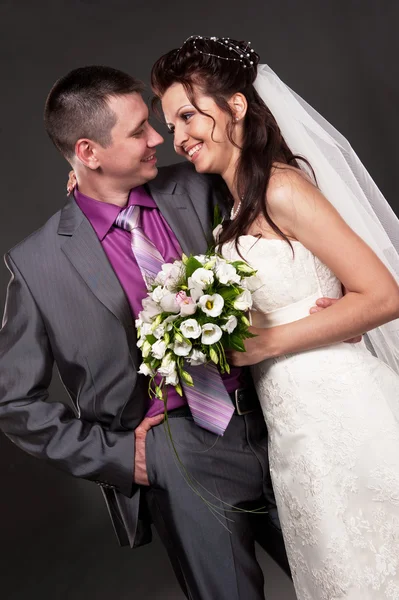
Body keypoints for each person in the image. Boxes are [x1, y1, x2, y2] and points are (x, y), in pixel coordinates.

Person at [0, 64, 350, 600]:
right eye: (139, 131)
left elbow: (287, 207)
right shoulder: (39, 263)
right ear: (89, 153)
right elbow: (13, 402)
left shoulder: (198, 184)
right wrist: (122, 458)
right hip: (178, 452)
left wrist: (332, 295)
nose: (158, 139)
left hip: (283, 418)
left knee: (349, 580)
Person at [151, 35, 399, 599]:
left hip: (343, 409)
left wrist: (265, 344)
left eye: (188, 115)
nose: (179, 137)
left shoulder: (283, 188)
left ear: (236, 105)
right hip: (295, 430)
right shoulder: (233, 207)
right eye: (170, 126)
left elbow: (383, 295)